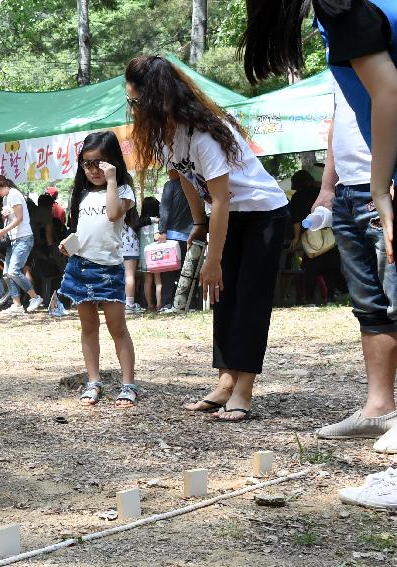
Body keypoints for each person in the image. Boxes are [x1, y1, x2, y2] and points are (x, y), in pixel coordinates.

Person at [242, 0, 397, 450]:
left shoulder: (341, 3)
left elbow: (389, 93)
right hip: (357, 184)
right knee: (371, 304)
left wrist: (382, 188)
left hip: (381, 179)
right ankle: (379, 409)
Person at [125, 55, 289, 422]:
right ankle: (225, 382)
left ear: (154, 98)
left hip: (263, 215)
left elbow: (221, 198)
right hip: (226, 216)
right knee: (223, 300)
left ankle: (243, 390)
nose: (132, 109)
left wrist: (212, 261)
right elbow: (183, 177)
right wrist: (197, 223)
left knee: (249, 300)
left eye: (135, 101)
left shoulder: (202, 133)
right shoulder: (167, 133)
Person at [58, 131, 139, 408]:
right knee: (88, 327)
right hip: (80, 265)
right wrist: (69, 245)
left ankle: (128, 384)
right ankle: (94, 380)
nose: (93, 170)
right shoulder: (81, 194)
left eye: (100, 163)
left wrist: (113, 179)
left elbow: (114, 214)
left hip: (109, 269)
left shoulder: (124, 190)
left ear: (113, 162)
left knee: (117, 327)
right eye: (87, 163)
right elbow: (83, 232)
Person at [0, 175, 44, 314]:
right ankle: (16, 304)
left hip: (23, 238)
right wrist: (4, 216)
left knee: (13, 271)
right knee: (7, 273)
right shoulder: (8, 197)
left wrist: (3, 231)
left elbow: (19, 219)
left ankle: (35, 297)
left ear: (1, 186)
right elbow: (12, 218)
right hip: (14, 239)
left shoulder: (14, 194)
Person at [287, 169, 344, 303]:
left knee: (311, 269)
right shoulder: (321, 193)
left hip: (310, 236)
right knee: (331, 268)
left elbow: (296, 219)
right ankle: (330, 297)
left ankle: (310, 298)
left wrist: (296, 237)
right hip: (328, 234)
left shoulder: (297, 197)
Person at [157, 170, 194, 310]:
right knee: (186, 272)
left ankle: (167, 302)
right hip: (190, 235)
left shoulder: (170, 185)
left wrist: (162, 231)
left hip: (171, 236)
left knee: (167, 272)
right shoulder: (193, 185)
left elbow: (165, 209)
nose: (167, 172)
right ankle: (186, 303)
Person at [137, 197, 162, 312]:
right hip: (156, 256)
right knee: (158, 282)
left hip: (144, 257)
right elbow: (157, 237)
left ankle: (150, 305)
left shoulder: (141, 223)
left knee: (147, 282)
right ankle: (159, 304)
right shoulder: (157, 222)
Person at [121, 205, 143, 314]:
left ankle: (116, 302)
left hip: (116, 241)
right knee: (129, 275)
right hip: (131, 242)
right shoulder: (132, 214)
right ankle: (129, 303)